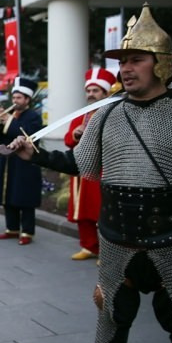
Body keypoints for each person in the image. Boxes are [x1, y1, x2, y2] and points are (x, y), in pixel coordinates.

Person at [5, 4, 172, 343]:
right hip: (118, 234)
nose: (126, 68)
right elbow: (81, 162)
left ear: (161, 64)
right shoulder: (107, 113)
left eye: (135, 59)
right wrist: (35, 155)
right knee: (110, 312)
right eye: (122, 61)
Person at [65, 68, 116, 261]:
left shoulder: (112, 112)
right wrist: (75, 134)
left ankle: (106, 252)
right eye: (88, 91)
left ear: (105, 92)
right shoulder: (81, 114)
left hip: (102, 169)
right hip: (80, 170)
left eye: (95, 91)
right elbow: (68, 139)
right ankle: (88, 246)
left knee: (100, 211)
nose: (90, 95)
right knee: (83, 211)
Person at [0, 76, 43, 245]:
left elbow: (28, 136)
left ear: (27, 99)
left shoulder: (34, 116)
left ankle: (27, 232)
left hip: (26, 162)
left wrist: (9, 122)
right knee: (8, 194)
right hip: (8, 160)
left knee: (24, 196)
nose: (15, 101)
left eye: (19, 98)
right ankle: (12, 229)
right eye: (14, 97)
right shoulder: (10, 115)